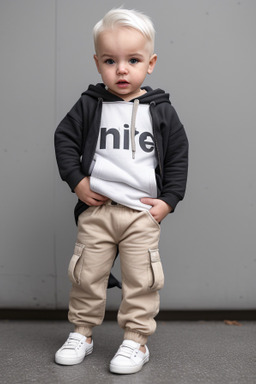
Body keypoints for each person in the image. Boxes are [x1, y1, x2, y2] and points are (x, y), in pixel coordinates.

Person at [54, 8, 188, 375]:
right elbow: (64, 139)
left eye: (133, 60)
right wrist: (78, 181)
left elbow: (178, 155)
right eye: (110, 61)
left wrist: (169, 201)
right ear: (97, 63)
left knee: (141, 279)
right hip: (98, 211)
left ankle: (136, 341)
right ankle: (82, 333)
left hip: (141, 215)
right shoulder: (91, 104)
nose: (122, 69)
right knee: (86, 275)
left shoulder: (161, 111)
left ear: (151, 63)